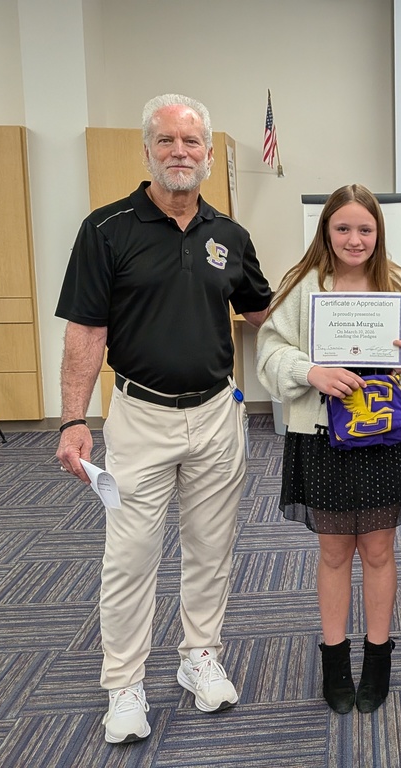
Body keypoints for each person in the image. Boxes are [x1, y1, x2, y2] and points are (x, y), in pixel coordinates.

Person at [54, 93, 272, 744]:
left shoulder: (229, 236)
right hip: (139, 418)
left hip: (215, 417)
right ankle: (123, 684)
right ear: (146, 150)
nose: (181, 152)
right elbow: (85, 333)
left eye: (192, 142)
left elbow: (263, 311)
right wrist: (72, 420)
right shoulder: (106, 229)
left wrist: (343, 314)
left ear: (209, 153)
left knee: (211, 551)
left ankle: (197, 657)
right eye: (167, 141)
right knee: (130, 557)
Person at [256, 184, 401, 715]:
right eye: (343, 228)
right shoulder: (302, 284)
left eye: (365, 229)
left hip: (384, 436)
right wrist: (309, 370)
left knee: (379, 552)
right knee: (334, 553)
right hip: (322, 437)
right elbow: (270, 351)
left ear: (379, 232)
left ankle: (378, 657)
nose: (354, 239)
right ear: (326, 231)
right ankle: (334, 659)